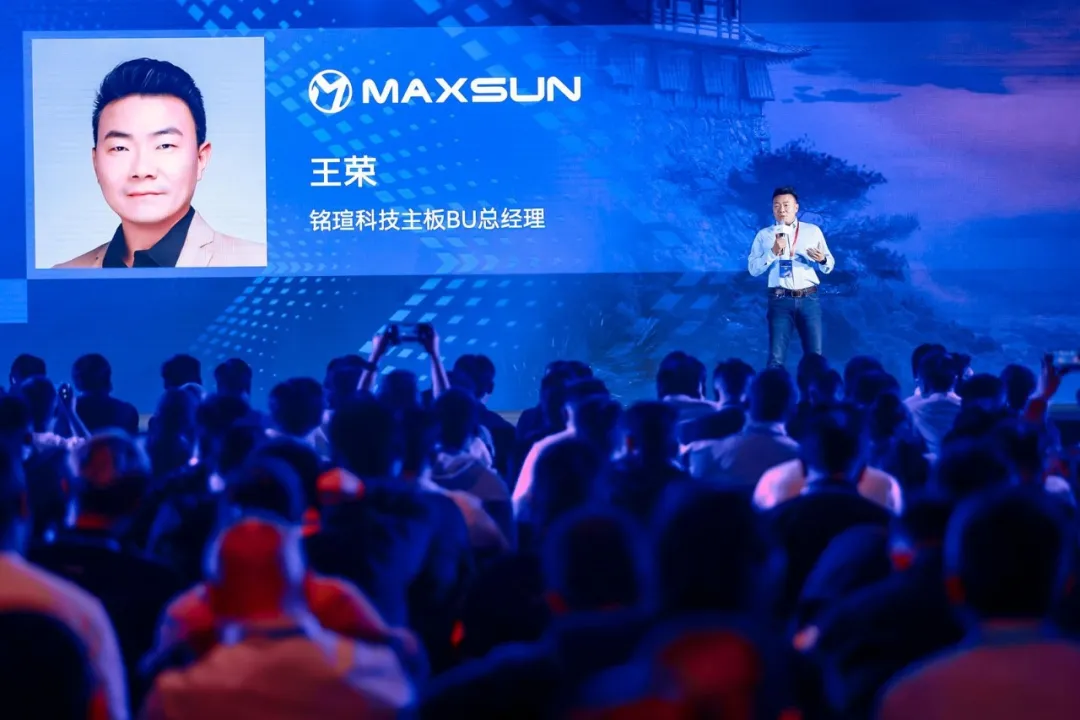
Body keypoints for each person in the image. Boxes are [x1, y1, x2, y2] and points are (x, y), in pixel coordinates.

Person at [54, 58, 265, 269]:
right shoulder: (64, 276)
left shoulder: (259, 267)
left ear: (201, 158)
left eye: (165, 145)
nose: (142, 170)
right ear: (96, 163)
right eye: (120, 148)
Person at [747, 186, 835, 367]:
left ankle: (815, 385)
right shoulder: (764, 235)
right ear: (772, 209)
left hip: (809, 299)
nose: (781, 210)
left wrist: (822, 259)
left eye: (786, 205)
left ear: (796, 207)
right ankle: (775, 386)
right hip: (780, 299)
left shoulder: (812, 231)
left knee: (815, 357)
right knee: (775, 358)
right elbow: (753, 269)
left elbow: (829, 265)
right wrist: (772, 252)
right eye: (776, 205)